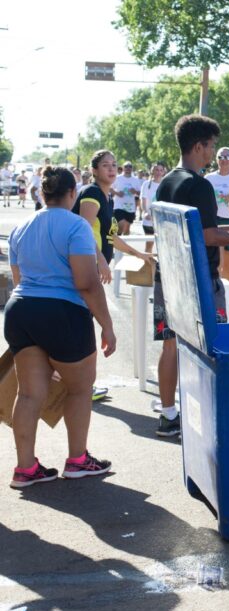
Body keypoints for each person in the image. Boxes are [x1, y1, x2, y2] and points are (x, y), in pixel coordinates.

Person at [5, 166, 115, 488]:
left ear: (42, 194)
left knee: (28, 393)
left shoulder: (21, 227)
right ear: (72, 194)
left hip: (21, 311)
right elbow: (87, 283)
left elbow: (18, 280)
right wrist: (107, 326)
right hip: (63, 313)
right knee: (80, 388)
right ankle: (78, 460)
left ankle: (25, 468)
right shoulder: (77, 226)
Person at [153, 115, 229, 438]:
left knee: (170, 346)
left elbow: (203, 229)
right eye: (211, 147)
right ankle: (210, 417)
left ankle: (168, 414)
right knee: (211, 349)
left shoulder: (167, 180)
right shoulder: (200, 184)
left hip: (167, 275)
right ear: (199, 146)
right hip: (198, 281)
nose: (213, 154)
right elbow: (209, 236)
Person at [204, 147, 229, 280]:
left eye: (227, 157)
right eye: (221, 157)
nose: (224, 160)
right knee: (217, 263)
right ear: (216, 159)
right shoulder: (209, 178)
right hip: (215, 221)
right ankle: (218, 292)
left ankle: (228, 293)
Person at [139, 162, 167, 254]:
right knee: (149, 246)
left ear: (163, 172)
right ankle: (148, 267)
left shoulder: (166, 184)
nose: (158, 172)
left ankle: (160, 268)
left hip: (162, 221)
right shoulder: (146, 184)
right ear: (152, 171)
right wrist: (145, 212)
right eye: (156, 170)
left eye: (161, 170)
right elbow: (143, 200)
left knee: (163, 247)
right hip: (149, 221)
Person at [112, 162, 142, 236]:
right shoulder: (117, 178)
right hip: (119, 205)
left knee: (127, 228)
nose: (128, 168)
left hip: (130, 206)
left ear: (132, 168)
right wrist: (117, 193)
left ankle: (124, 243)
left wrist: (135, 191)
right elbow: (110, 188)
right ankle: (118, 236)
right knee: (121, 224)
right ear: (123, 168)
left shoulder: (135, 180)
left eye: (130, 167)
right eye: (126, 166)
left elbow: (140, 193)